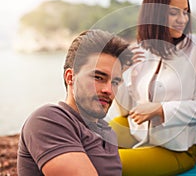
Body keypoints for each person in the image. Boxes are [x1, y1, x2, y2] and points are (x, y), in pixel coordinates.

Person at [108, 0, 196, 175]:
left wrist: (160, 109)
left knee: (105, 165)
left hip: (176, 149)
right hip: (136, 133)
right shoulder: (142, 48)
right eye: (174, 12)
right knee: (85, 140)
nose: (182, 19)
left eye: (185, 11)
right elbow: (127, 109)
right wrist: (120, 74)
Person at [17, 30, 132, 176]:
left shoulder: (107, 132)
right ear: (70, 77)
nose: (109, 90)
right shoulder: (48, 119)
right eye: (98, 77)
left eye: (115, 82)